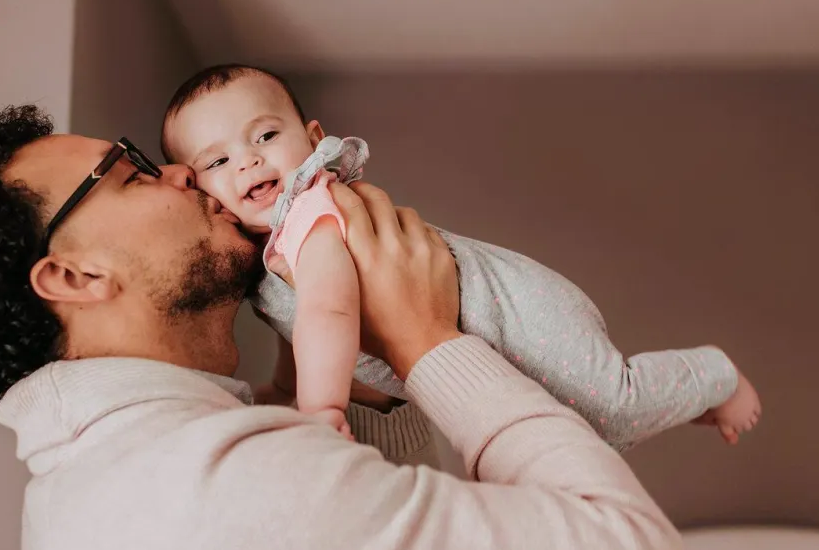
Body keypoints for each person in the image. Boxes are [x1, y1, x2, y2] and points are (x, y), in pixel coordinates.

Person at [0, 105, 689, 550]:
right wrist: (429, 345)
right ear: (76, 275)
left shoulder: (121, 474)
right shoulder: (200, 497)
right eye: (130, 172)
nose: (183, 171)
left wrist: (353, 372)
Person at [160, 65, 762, 450]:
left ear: (314, 140)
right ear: (195, 182)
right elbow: (299, 324)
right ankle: (686, 397)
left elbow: (328, 312)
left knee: (610, 413)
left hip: (513, 311)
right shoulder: (262, 253)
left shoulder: (310, 213)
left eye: (266, 135)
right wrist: (287, 385)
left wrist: (321, 408)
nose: (249, 161)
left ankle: (715, 374)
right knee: (564, 427)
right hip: (475, 329)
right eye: (218, 161)